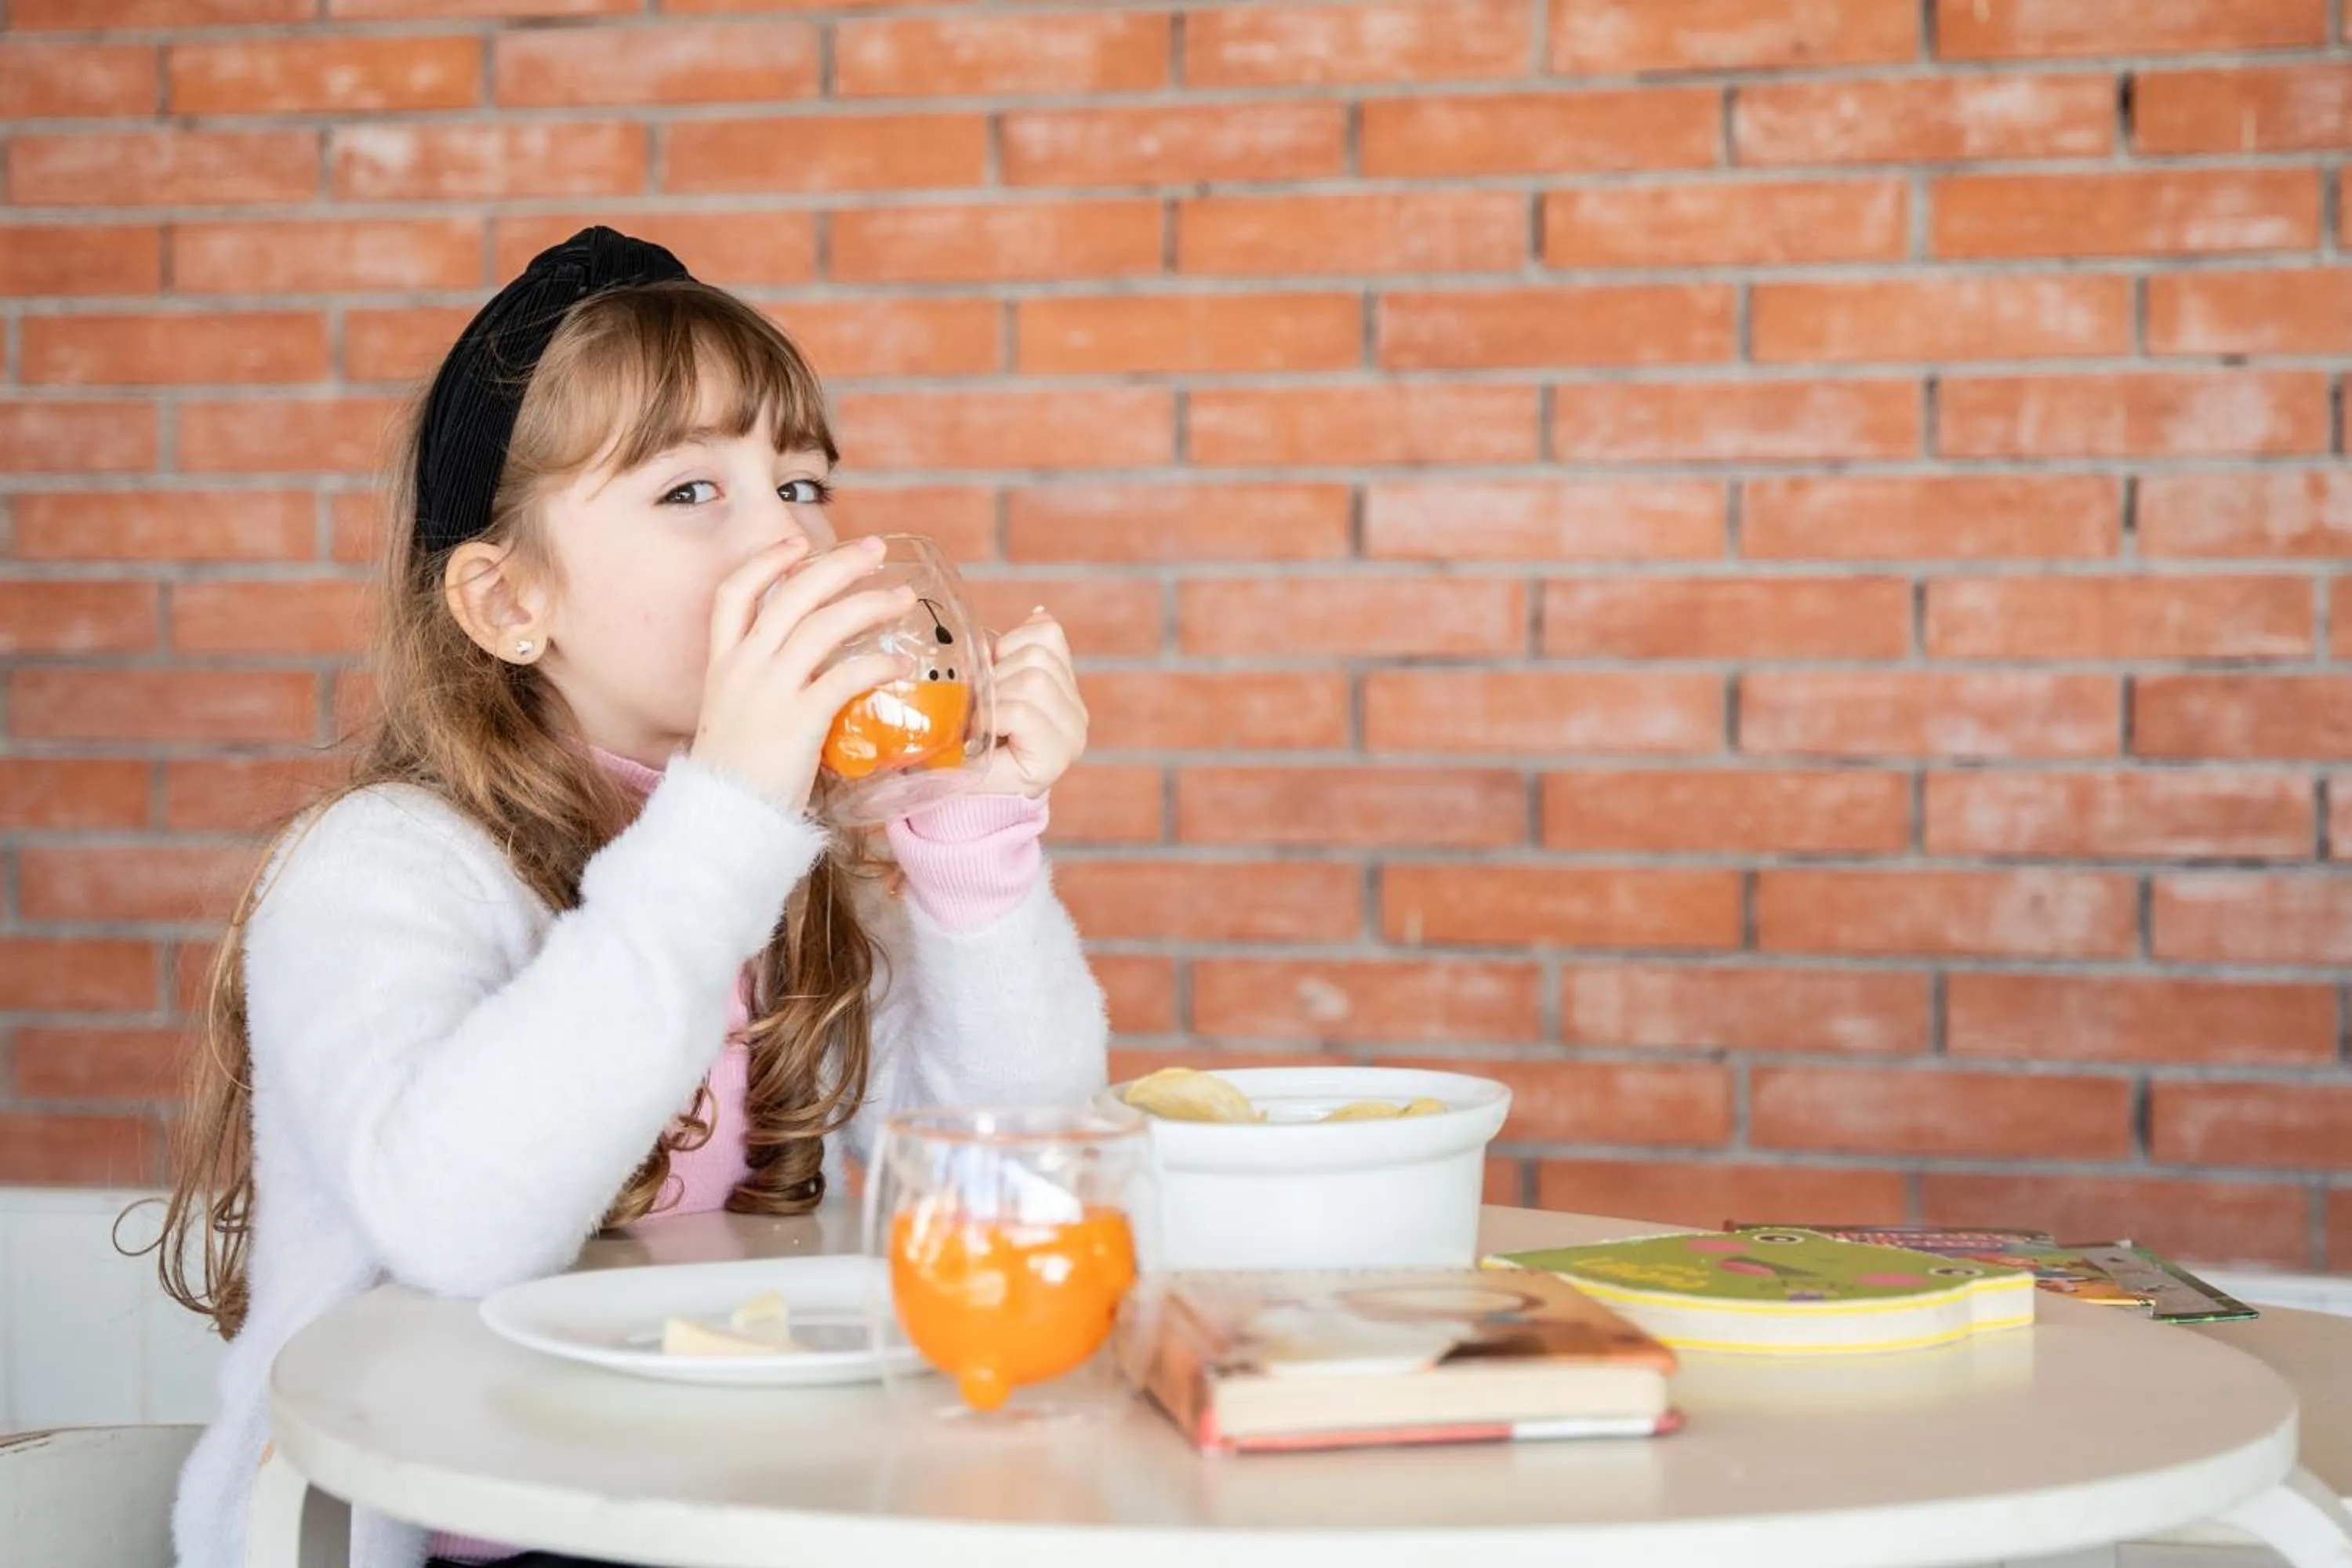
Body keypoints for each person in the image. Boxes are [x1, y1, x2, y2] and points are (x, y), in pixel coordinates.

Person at [154, 227, 1106, 1568]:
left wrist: (968, 841)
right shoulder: (381, 868)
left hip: (708, 1514)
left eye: (802, 480)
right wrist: (731, 808)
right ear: (508, 601)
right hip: (424, 1540)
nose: (790, 534)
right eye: (689, 494)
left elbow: (1020, 1179)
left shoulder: (787, 864)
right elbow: (457, 1220)